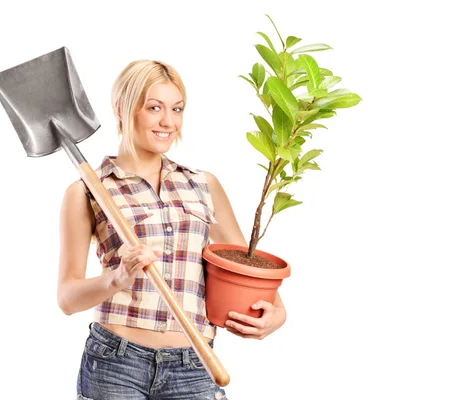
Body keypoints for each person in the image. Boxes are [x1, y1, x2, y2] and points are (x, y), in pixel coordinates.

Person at [57, 59, 287, 399]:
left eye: (177, 109)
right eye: (154, 107)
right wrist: (117, 278)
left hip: (195, 364)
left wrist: (276, 314)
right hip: (116, 363)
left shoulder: (203, 185)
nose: (168, 121)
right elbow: (67, 298)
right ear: (122, 108)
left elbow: (245, 266)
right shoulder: (87, 192)